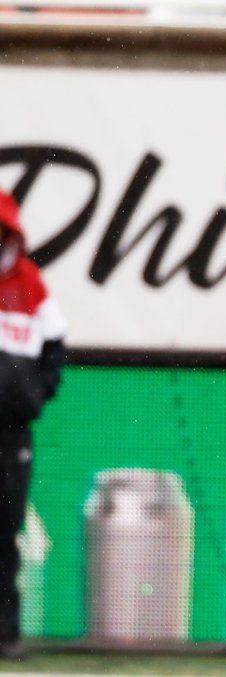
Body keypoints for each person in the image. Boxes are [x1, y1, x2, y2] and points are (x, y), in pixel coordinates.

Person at [0, 190, 66, 660]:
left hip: (11, 432)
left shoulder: (31, 283)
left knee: (5, 532)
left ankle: (5, 632)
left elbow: (55, 347)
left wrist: (34, 396)